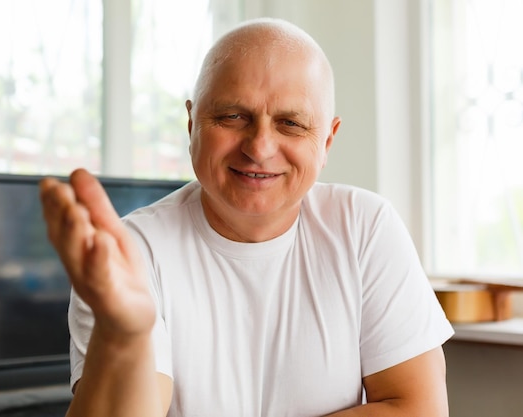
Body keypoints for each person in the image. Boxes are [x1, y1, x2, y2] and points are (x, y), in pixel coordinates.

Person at [40, 17, 454, 417]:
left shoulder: (366, 227)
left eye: (290, 123)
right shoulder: (131, 252)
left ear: (327, 140)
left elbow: (417, 408)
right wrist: (123, 335)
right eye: (232, 117)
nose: (259, 147)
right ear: (191, 124)